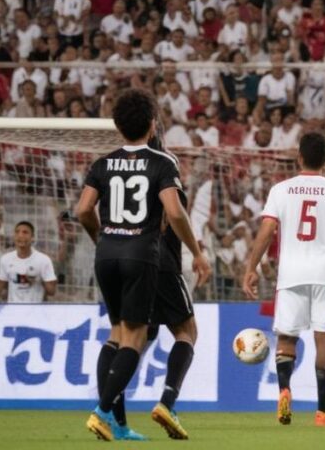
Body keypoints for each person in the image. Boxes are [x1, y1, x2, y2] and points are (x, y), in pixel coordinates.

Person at [76, 89, 205, 441]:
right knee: (156, 335)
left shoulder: (102, 163)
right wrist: (196, 252)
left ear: (117, 126)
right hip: (144, 256)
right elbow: (173, 213)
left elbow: (83, 209)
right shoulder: (162, 163)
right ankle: (106, 411)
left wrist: (102, 237)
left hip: (107, 254)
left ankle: (116, 422)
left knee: (117, 335)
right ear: (152, 124)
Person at [242, 132, 325, 427]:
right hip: (324, 272)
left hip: (290, 272)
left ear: (299, 157)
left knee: (286, 337)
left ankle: (284, 389)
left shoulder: (280, 190)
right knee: (323, 339)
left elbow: (266, 231)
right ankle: (322, 413)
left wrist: (251, 267)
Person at [147, 131, 212, 440]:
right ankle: (167, 402)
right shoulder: (168, 184)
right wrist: (197, 253)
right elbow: (170, 218)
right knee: (188, 333)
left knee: (132, 339)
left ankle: (107, 409)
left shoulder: (122, 179)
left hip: (128, 266)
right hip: (162, 265)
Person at [0, 221, 57, 303]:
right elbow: (0, 287)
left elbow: (52, 292)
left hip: (35, 309)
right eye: (17, 232)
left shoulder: (43, 260)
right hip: (13, 309)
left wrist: (38, 278)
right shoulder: (5, 259)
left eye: (25, 232)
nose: (20, 235)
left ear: (32, 237)